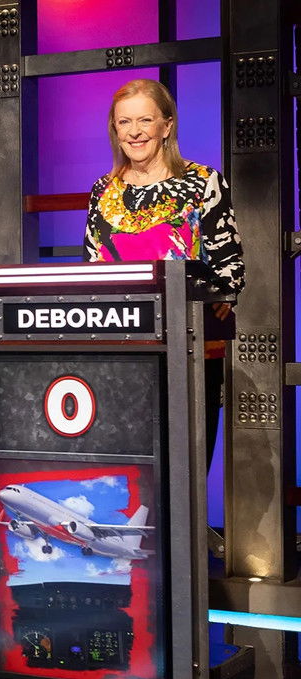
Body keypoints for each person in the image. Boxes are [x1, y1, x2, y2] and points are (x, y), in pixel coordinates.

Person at [84, 78, 244, 457]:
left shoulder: (203, 182)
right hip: (120, 351)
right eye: (124, 122)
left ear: (166, 126)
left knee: (186, 462)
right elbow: (92, 267)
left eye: (145, 120)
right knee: (130, 463)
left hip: (189, 350)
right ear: (115, 129)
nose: (135, 132)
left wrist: (215, 299)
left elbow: (231, 269)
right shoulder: (102, 190)